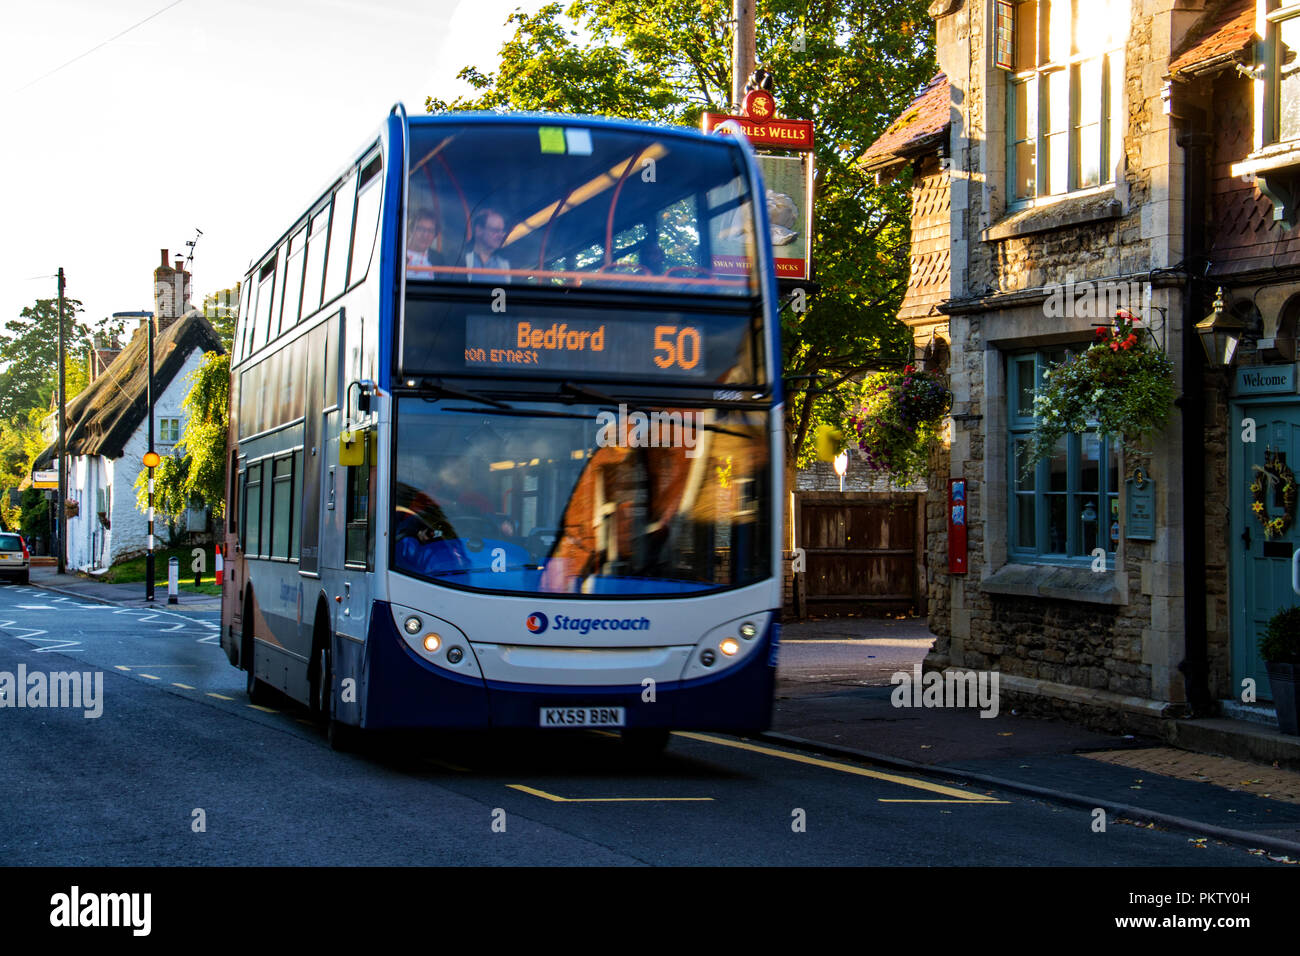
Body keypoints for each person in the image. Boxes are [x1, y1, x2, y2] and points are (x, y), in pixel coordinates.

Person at [464, 208, 510, 283]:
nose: (501, 235)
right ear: (479, 230)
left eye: (502, 231)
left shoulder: (505, 264)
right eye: (496, 230)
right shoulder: (461, 260)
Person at [406, 210, 446, 278]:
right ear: (410, 230)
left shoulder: (438, 259)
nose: (425, 235)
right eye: (420, 229)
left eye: (430, 231)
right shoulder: (396, 255)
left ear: (435, 236)